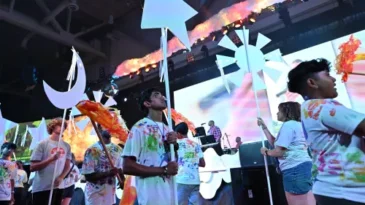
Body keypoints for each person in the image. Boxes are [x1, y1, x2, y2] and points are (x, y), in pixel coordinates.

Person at [287, 58, 365, 205]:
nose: (334, 79)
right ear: (312, 83)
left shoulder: (308, 108)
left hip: (333, 191)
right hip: (348, 194)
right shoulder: (323, 107)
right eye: (328, 75)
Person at [122, 88, 179, 205]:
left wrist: (174, 146)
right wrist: (164, 170)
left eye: (162, 95)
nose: (162, 97)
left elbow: (172, 161)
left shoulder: (167, 128)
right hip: (151, 197)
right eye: (157, 95)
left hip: (170, 193)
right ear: (147, 103)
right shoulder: (140, 127)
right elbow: (127, 166)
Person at [257, 102, 315, 205]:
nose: (277, 113)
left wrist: (266, 152)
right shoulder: (297, 125)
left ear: (286, 112)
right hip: (304, 167)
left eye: (279, 111)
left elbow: (279, 152)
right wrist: (264, 127)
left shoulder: (288, 126)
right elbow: (276, 143)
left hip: (294, 169)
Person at [30, 118, 72, 205]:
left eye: (63, 126)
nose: (62, 127)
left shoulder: (66, 146)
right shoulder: (42, 144)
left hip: (58, 187)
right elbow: (32, 167)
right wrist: (51, 159)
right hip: (42, 187)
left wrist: (61, 177)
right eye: (59, 125)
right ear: (52, 127)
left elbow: (67, 165)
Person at [82, 130, 124, 205]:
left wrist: (123, 181)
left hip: (110, 196)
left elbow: (120, 170)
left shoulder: (118, 150)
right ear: (99, 129)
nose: (107, 129)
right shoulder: (92, 150)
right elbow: (88, 176)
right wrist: (108, 173)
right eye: (104, 125)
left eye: (109, 126)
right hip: (94, 196)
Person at [175, 122, 205, 205]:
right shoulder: (196, 145)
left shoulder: (176, 145)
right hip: (195, 181)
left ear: (178, 133)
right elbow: (203, 163)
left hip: (182, 180)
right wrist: (192, 160)